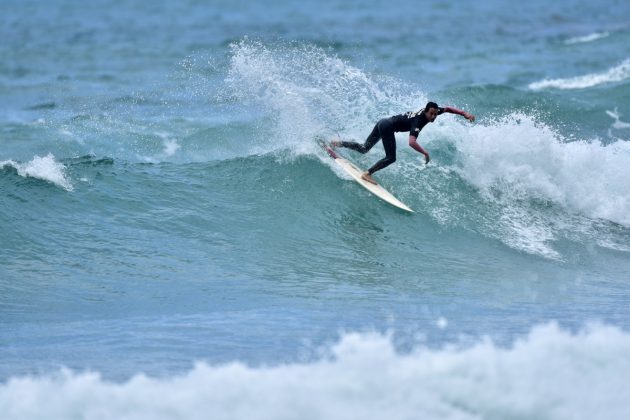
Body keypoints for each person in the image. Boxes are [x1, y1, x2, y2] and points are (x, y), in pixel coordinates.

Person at [331, 102, 475, 184]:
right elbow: (411, 142)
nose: (433, 116)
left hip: (383, 121)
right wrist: (424, 152)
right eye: (431, 113)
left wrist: (464, 114)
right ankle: (367, 174)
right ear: (425, 112)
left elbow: (448, 108)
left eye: (435, 114)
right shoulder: (419, 121)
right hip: (387, 126)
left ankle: (338, 143)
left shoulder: (430, 113)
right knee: (391, 158)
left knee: (364, 148)